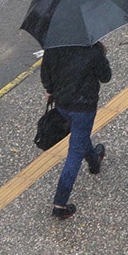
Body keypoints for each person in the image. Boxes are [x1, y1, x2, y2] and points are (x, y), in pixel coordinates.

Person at [40, 42, 111, 219]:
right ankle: (60, 203)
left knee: (80, 136)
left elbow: (45, 74)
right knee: (74, 154)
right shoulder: (92, 49)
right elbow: (105, 77)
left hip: (62, 103)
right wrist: (102, 55)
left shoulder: (54, 45)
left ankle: (94, 161)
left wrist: (50, 89)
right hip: (84, 108)